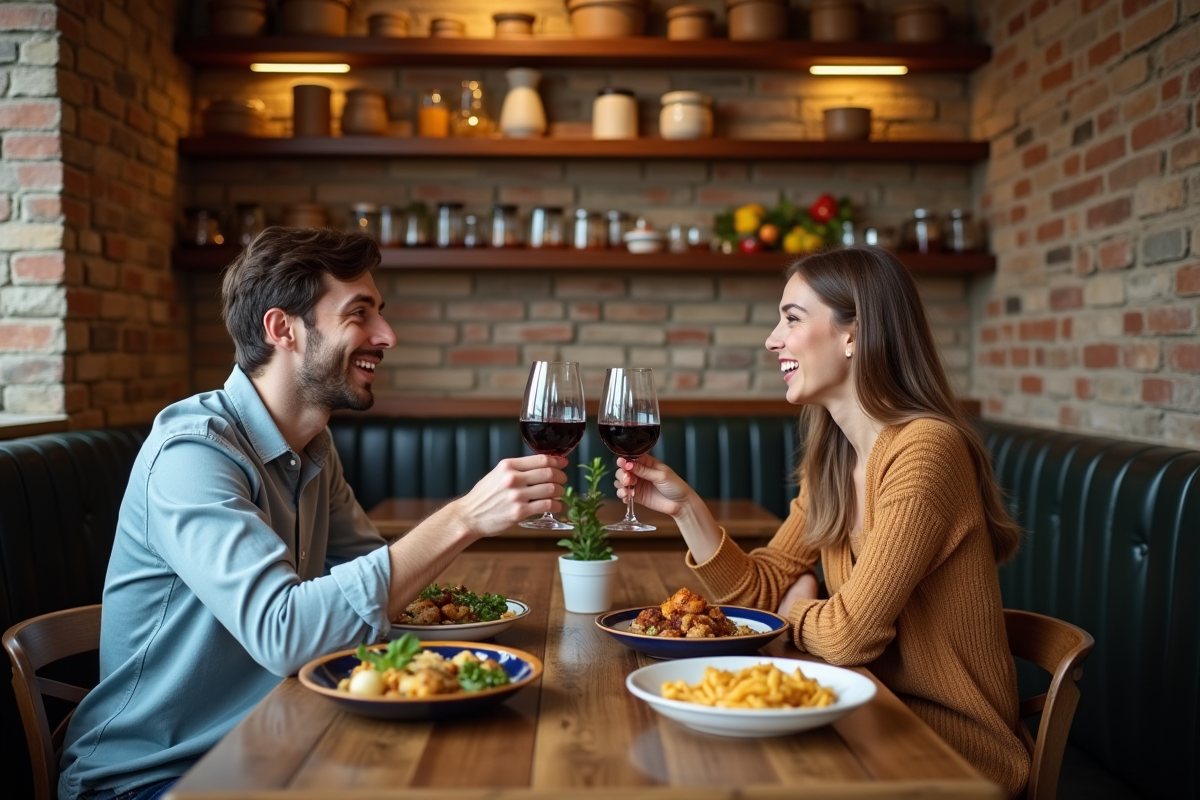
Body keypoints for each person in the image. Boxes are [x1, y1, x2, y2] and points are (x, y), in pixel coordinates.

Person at [58, 228, 568, 800]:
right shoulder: (193, 454)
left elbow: (380, 585)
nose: (387, 335)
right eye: (360, 313)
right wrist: (464, 518)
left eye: (381, 313)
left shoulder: (314, 449)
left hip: (278, 743)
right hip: (157, 777)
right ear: (283, 329)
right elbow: (285, 633)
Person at [615, 247, 1031, 798]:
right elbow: (762, 593)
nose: (772, 339)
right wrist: (686, 509)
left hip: (949, 748)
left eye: (791, 318)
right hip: (861, 711)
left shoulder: (927, 451)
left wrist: (794, 611)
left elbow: (850, 636)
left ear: (854, 334)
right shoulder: (836, 460)